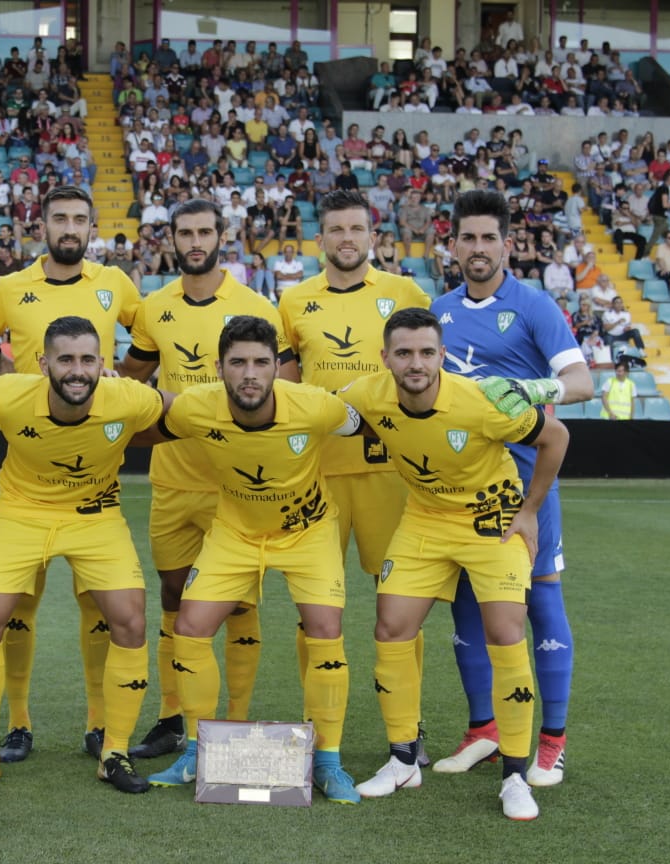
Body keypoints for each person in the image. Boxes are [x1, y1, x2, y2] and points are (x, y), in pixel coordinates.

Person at [339, 307, 569, 821]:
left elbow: (556, 437)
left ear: (442, 356)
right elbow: (327, 415)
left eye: (426, 352)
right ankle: (402, 758)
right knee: (391, 626)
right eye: (404, 353)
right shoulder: (366, 394)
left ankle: (514, 774)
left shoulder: (480, 401)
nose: (415, 363)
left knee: (506, 632)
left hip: (492, 520)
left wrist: (530, 511)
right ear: (386, 358)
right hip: (424, 519)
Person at [142, 315, 362, 804]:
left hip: (308, 531)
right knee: (192, 625)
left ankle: (328, 761)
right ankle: (197, 751)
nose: (249, 373)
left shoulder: (315, 407)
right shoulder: (196, 407)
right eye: (238, 362)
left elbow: (367, 421)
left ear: (277, 369)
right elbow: (143, 420)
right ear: (219, 367)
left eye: (261, 362)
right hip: (236, 532)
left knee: (325, 630)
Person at [0, 315, 163, 795]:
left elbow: (180, 414)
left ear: (103, 363)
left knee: (130, 619)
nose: (77, 370)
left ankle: (114, 753)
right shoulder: (7, 396)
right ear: (43, 363)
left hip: (95, 516)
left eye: (87, 359)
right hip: (21, 514)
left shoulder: (129, 398)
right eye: (65, 359)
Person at [118, 200, 295, 760]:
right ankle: (174, 716)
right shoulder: (154, 307)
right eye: (184, 232)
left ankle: (234, 724)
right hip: (171, 479)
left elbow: (280, 385)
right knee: (173, 594)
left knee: (238, 603)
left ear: (223, 236)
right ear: (170, 238)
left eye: (204, 231)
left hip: (233, 484)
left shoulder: (254, 305)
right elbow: (135, 380)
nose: (195, 241)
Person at [429, 190, 593, 787]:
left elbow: (581, 381)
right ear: (452, 245)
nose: (477, 248)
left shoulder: (533, 306)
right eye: (467, 238)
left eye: (488, 238)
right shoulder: (439, 309)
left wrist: (528, 391)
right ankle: (485, 731)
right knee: (468, 606)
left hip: (526, 489)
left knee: (541, 602)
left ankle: (552, 740)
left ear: (507, 244)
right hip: (461, 487)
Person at [0, 186, 141, 763]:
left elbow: (149, 337)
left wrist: (123, 389)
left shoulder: (114, 283)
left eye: (78, 219)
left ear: (92, 226)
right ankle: (18, 722)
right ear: (40, 224)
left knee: (104, 607)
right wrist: (5, 384)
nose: (69, 227)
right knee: (14, 606)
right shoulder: (10, 288)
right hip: (29, 461)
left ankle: (100, 725)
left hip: (95, 466)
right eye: (59, 218)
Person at [275, 185, 431, 731]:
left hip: (392, 473)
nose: (347, 238)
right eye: (336, 229)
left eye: (356, 229)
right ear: (320, 239)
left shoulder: (405, 290)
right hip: (317, 478)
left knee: (400, 607)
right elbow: (287, 390)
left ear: (373, 236)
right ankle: (317, 726)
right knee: (315, 609)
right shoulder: (293, 302)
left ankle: (408, 730)